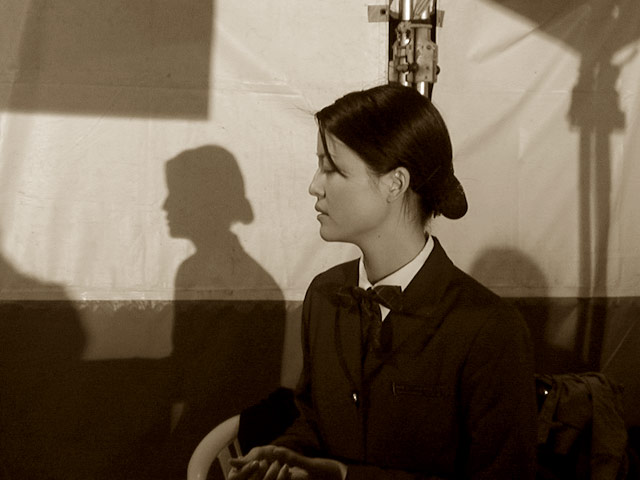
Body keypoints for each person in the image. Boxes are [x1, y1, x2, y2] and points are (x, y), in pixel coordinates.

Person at [229, 84, 537, 479]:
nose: (314, 185)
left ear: (395, 183)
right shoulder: (325, 296)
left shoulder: (489, 329)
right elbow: (315, 422)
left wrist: (341, 475)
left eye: (332, 169)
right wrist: (286, 454)